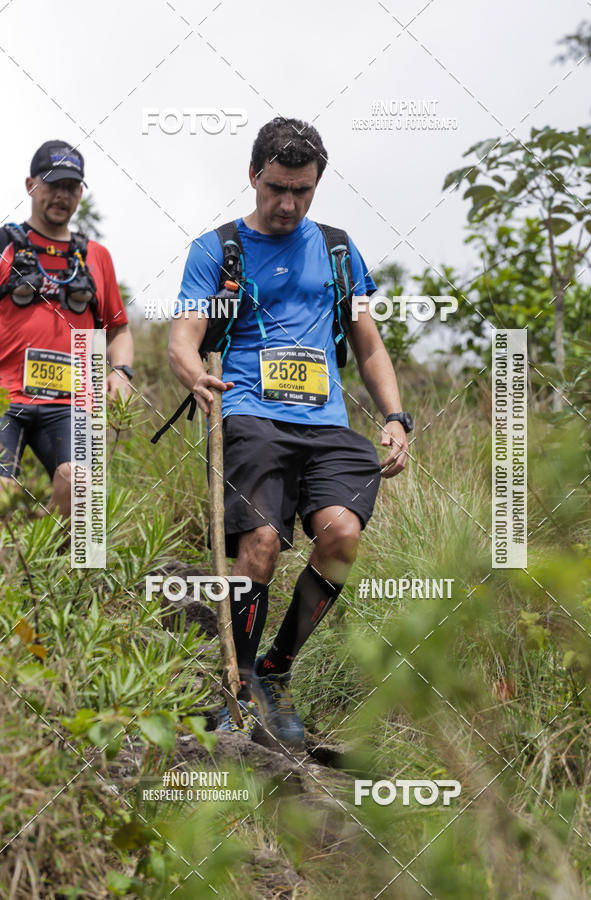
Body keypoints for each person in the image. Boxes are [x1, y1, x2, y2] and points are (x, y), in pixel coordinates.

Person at [168, 117, 413, 746]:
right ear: (253, 176)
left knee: (341, 538)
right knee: (259, 547)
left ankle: (275, 672)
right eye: (276, 187)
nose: (287, 203)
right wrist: (195, 376)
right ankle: (237, 683)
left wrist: (393, 417)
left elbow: (369, 346)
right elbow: (183, 338)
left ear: (316, 185)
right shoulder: (217, 249)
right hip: (250, 413)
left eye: (301, 190)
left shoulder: (336, 249)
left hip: (327, 424)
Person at [0, 140, 134, 517]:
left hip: (73, 400)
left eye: (71, 187)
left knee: (83, 499)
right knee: (1, 496)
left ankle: (43, 561)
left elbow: (119, 329)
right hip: (4, 397)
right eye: (52, 184)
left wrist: (121, 372)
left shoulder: (96, 257)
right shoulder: (4, 246)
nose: (62, 195)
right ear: (31, 185)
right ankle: (12, 563)